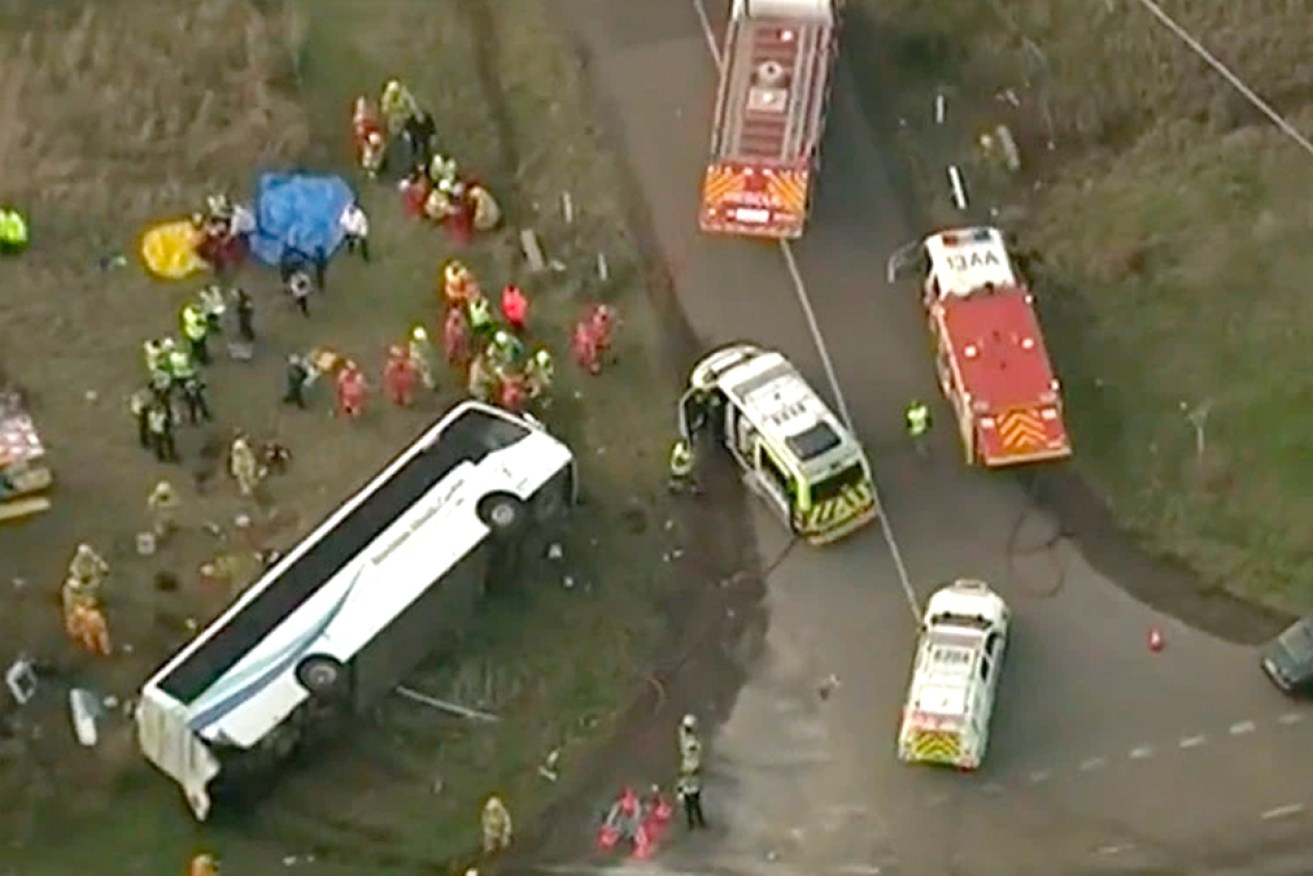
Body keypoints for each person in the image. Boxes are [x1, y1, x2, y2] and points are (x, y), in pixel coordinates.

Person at [352, 95, 387, 176]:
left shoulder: (368, 117)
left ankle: (373, 165)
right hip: (366, 135)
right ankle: (370, 165)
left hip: (370, 133)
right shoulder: (360, 119)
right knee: (372, 147)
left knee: (377, 145)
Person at [409, 326, 438, 390]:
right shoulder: (414, 344)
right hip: (420, 360)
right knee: (425, 372)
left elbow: (428, 348)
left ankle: (430, 384)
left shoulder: (423, 341)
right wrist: (420, 360)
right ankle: (430, 385)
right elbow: (414, 354)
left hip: (423, 359)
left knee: (425, 372)